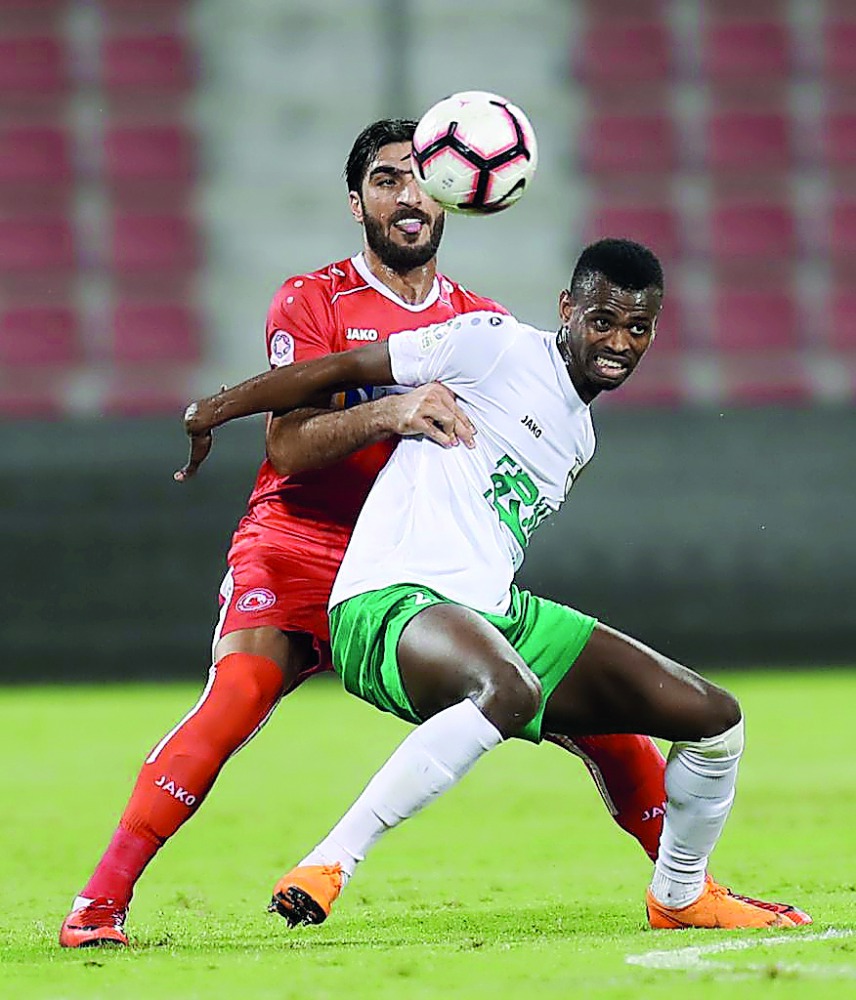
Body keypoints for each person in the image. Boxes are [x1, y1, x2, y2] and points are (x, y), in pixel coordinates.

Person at [60, 121, 670, 948]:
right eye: (387, 180)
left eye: (425, 180)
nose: (410, 197)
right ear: (358, 203)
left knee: (597, 713)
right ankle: (98, 906)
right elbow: (286, 447)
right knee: (235, 697)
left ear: (455, 194)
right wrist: (391, 412)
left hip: (417, 568)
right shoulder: (313, 301)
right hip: (300, 542)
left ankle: (687, 885)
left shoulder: (480, 325)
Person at [178, 239, 811, 930]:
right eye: (602, 321)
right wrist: (215, 409)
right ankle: (331, 862)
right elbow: (341, 368)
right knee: (510, 689)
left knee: (716, 721)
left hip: (491, 613)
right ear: (567, 309)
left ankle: (681, 894)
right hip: (387, 600)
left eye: (638, 327)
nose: (618, 343)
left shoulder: (580, 439)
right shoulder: (493, 345)